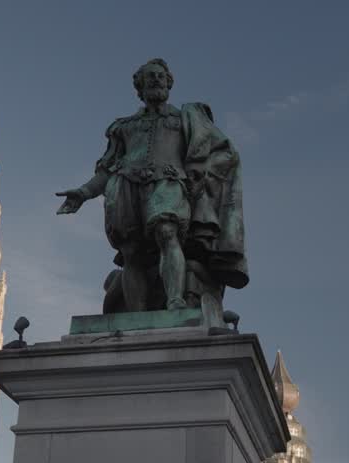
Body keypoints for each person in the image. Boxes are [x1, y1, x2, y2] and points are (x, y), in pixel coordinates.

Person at [56, 58, 247, 314]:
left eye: (161, 76)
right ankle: (136, 314)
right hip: (125, 187)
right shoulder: (123, 127)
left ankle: (175, 302)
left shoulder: (186, 119)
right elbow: (106, 169)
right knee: (131, 252)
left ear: (169, 83)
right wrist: (83, 192)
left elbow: (225, 153)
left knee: (168, 234)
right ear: (140, 86)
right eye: (150, 76)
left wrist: (198, 176)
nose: (156, 80)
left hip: (169, 182)